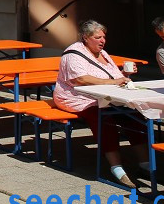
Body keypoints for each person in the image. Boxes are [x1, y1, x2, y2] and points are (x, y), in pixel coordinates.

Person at [54, 19, 145, 188]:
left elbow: (113, 76)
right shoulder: (73, 53)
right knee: (103, 118)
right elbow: (81, 79)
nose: (102, 40)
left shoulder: (103, 54)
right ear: (85, 37)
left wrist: (124, 74)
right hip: (76, 98)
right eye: (97, 37)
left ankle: (146, 164)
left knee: (134, 115)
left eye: (103, 37)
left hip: (106, 97)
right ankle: (116, 168)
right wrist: (114, 82)